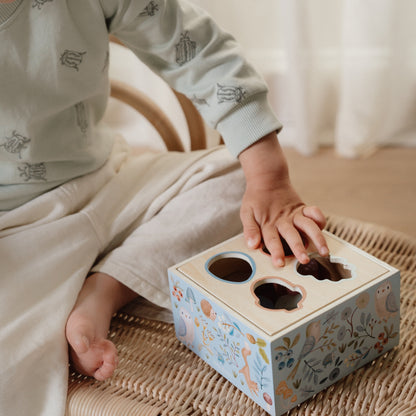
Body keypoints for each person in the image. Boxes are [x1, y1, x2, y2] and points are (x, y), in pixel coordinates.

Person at [0, 0, 328, 414]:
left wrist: (269, 177)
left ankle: (104, 290)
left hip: (110, 178)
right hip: (16, 227)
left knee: (235, 175)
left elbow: (199, 50)